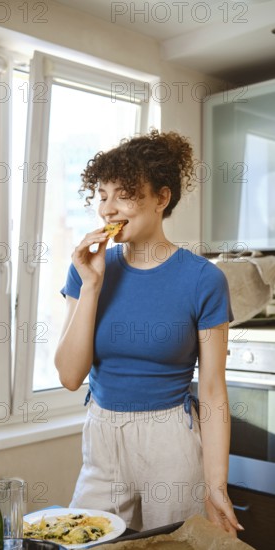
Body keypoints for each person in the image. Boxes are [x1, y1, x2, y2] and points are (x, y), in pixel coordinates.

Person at [54, 129, 243, 536]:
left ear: (162, 198)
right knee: (84, 542)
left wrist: (216, 484)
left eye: (123, 193)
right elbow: (70, 377)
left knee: (174, 545)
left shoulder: (203, 280)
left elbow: (212, 391)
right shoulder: (86, 269)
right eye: (102, 195)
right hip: (101, 435)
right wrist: (90, 286)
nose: (107, 208)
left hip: (170, 441)